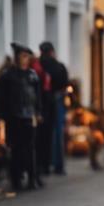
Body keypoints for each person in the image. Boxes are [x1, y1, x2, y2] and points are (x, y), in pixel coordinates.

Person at [0, 43, 43, 191]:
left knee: (31, 149)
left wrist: (38, 112)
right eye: (23, 56)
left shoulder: (32, 75)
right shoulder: (8, 76)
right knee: (15, 149)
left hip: (29, 116)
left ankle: (32, 177)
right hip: (13, 117)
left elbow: (37, 96)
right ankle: (16, 179)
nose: (25, 59)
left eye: (27, 56)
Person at [38, 42, 70, 175]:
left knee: (43, 133)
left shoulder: (38, 66)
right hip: (56, 100)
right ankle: (58, 165)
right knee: (57, 133)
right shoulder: (59, 66)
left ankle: (44, 164)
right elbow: (65, 84)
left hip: (42, 101)